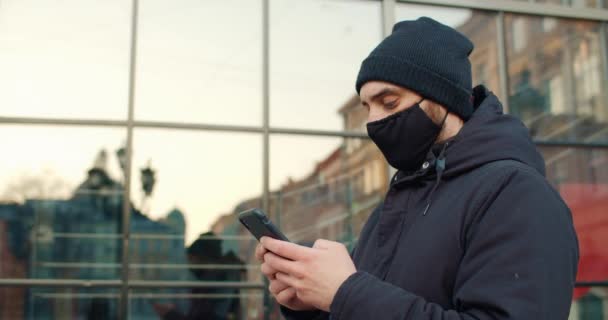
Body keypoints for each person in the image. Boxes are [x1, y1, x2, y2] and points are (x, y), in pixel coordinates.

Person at [255, 17, 579, 320]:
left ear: (445, 99)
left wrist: (345, 292)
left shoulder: (517, 194)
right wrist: (312, 304)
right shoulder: (395, 203)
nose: (374, 121)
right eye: (368, 107)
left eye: (390, 102)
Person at [153, 232, 242, 320]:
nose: (189, 264)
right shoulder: (208, 283)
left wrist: (169, 313)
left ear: (205, 259)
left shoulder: (216, 285)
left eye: (192, 259)